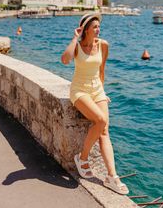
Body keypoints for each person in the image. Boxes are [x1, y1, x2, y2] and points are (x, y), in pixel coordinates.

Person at [61, 13, 129, 195]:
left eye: (99, 26)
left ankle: (112, 177)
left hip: (97, 90)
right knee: (100, 120)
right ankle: (82, 158)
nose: (99, 29)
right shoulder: (77, 46)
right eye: (95, 27)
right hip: (80, 91)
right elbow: (65, 60)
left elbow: (102, 71)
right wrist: (75, 37)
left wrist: (103, 92)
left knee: (104, 129)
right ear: (86, 29)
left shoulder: (103, 45)